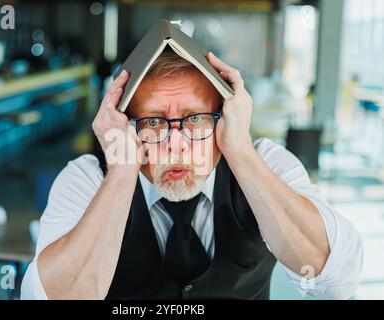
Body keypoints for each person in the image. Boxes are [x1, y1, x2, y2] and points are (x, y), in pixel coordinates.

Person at [21, 48, 363, 300]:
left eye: (195, 119)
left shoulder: (265, 162)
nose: (176, 145)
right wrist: (122, 170)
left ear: (224, 118)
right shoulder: (88, 179)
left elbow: (336, 282)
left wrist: (240, 150)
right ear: (126, 127)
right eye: (154, 122)